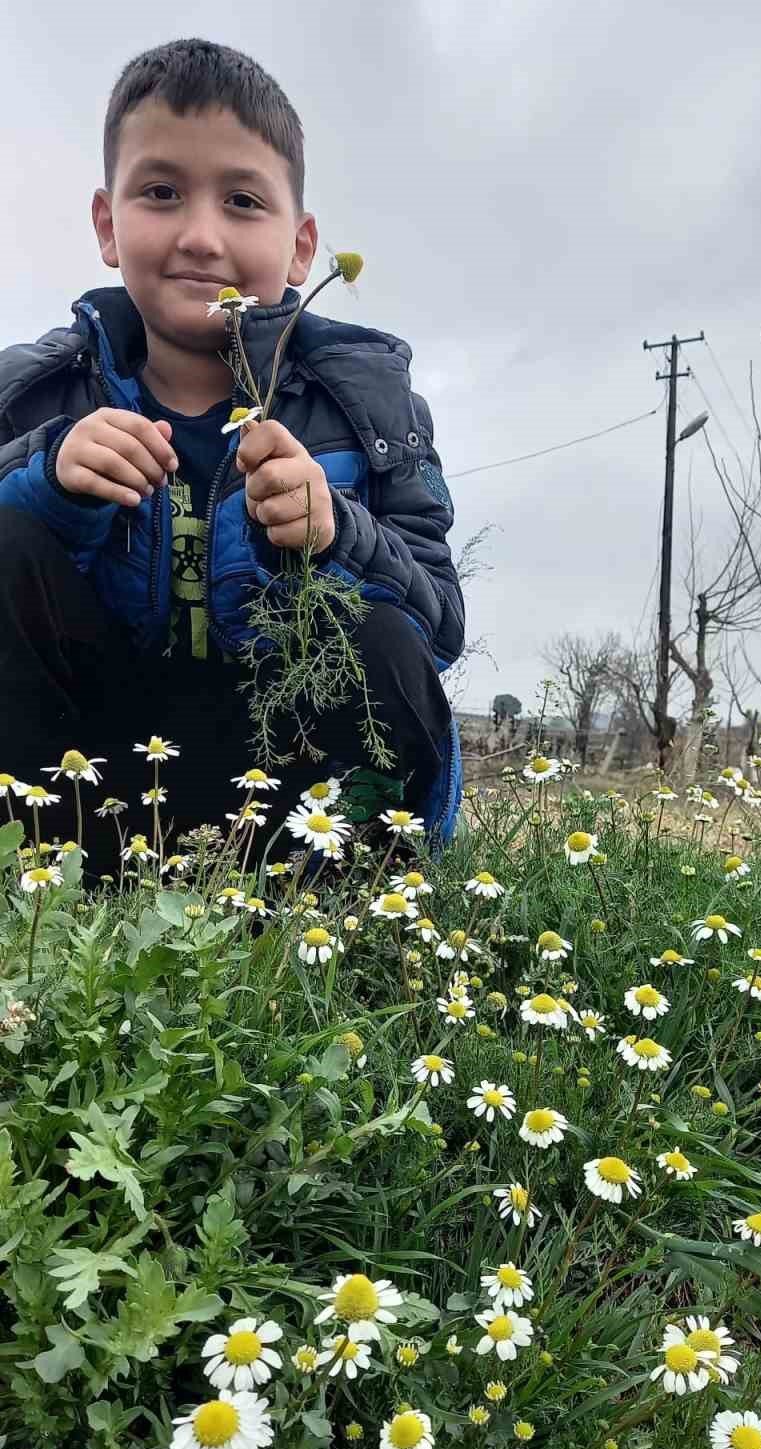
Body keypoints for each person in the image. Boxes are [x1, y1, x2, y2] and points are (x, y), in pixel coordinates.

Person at [0, 38, 465, 888]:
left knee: (383, 643)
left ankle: (329, 912)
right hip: (86, 787)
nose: (202, 236)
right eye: (162, 192)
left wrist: (338, 535)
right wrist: (47, 482)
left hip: (280, 783)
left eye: (244, 200)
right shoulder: (33, 394)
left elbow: (439, 629)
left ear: (301, 247)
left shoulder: (370, 409)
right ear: (108, 224)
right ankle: (44, 889)